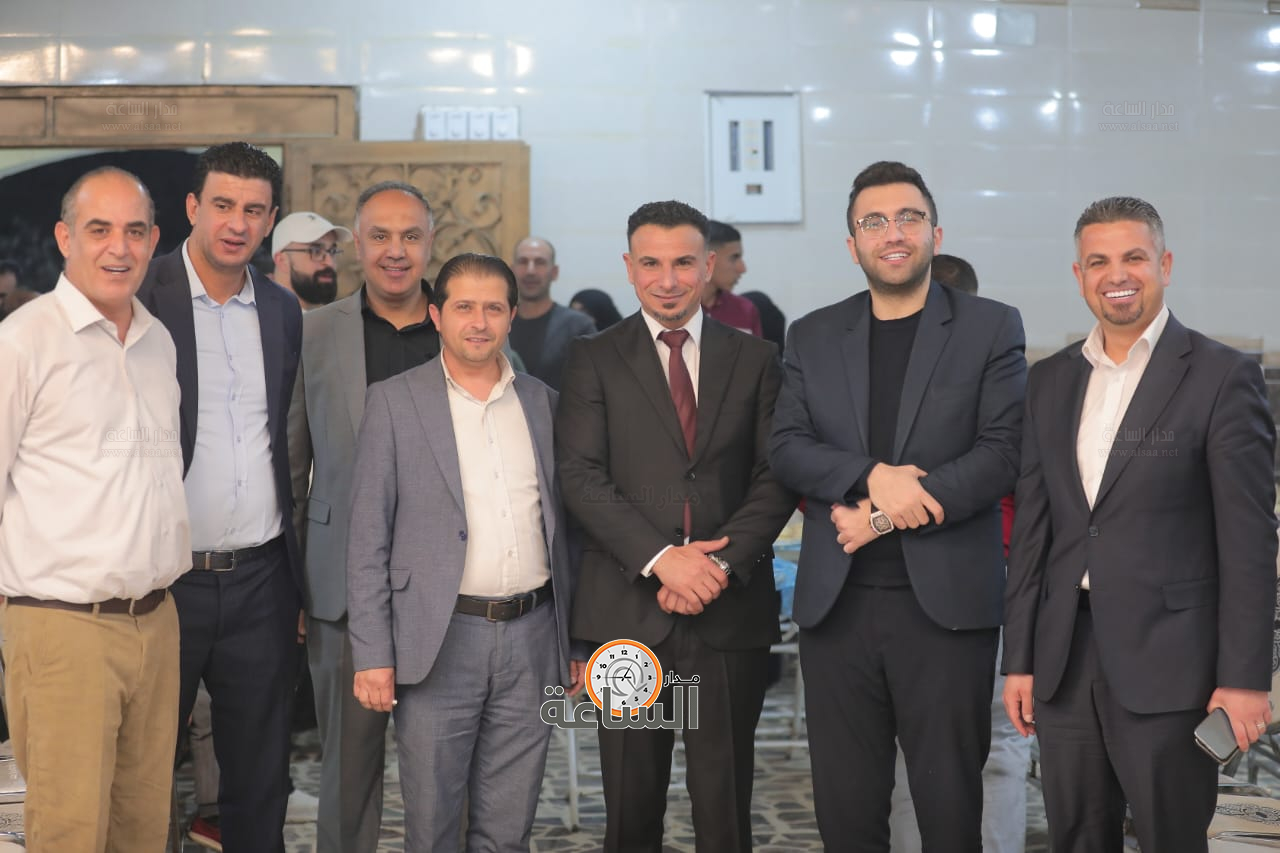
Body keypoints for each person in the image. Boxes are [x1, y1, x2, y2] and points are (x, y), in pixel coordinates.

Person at [1003, 196, 1277, 852]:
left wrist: (1245, 677)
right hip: (1065, 658)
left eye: (1134, 257)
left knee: (1169, 836)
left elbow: (1249, 540)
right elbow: (1036, 528)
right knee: (1076, 835)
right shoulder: (1049, 381)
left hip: (1172, 661)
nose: (1116, 274)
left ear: (1165, 264)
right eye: (1098, 261)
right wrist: (1020, 660)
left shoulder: (1222, 375)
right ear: (1079, 275)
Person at [768, 160, 1026, 851]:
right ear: (852, 243)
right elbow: (787, 448)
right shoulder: (814, 335)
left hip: (947, 611)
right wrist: (871, 476)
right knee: (846, 813)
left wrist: (882, 514)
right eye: (874, 221)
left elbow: (1002, 454)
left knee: (949, 811)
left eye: (909, 217)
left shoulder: (990, 327)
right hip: (838, 608)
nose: (893, 232)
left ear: (935, 233)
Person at [557, 200, 796, 852]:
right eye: (651, 264)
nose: (667, 280)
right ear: (629, 267)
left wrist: (716, 565)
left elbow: (776, 475)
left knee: (725, 808)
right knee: (630, 809)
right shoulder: (593, 357)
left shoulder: (757, 358)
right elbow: (579, 475)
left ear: (709, 266)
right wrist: (664, 560)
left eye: (684, 263)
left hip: (729, 611)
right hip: (626, 612)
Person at [347, 252, 581, 850]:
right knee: (432, 826)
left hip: (533, 639)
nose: (479, 322)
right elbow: (368, 536)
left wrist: (575, 643)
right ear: (437, 315)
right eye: (464, 307)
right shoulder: (393, 402)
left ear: (512, 317)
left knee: (510, 826)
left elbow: (570, 533)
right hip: (438, 640)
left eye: (494, 308)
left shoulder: (544, 404)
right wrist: (372, 653)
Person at [0, 166, 190, 850]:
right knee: (70, 833)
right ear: (64, 238)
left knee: (142, 830)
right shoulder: (24, 341)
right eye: (99, 229)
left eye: (135, 231)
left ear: (154, 242)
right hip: (63, 629)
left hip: (156, 623)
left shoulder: (158, 342)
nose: (119, 247)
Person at [139, 141, 304, 853]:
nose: (238, 223)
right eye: (224, 205)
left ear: (271, 219)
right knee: (143, 770)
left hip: (261, 579)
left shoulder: (281, 309)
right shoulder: (141, 294)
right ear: (192, 207)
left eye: (254, 210)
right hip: (162, 577)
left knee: (261, 776)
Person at [288, 180, 440, 853]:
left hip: (448, 590)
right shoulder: (315, 332)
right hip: (341, 589)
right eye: (380, 235)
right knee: (346, 780)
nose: (395, 250)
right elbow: (292, 465)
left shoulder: (462, 324)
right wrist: (295, 583)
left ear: (430, 243)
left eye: (410, 235)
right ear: (357, 243)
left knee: (447, 776)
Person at [887, 253, 1030, 853]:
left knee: (912, 743)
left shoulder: (886, 387)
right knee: (996, 744)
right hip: (988, 574)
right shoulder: (1006, 378)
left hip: (913, 575)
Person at [508, 236, 596, 389]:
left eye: (540, 262)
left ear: (554, 272)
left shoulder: (578, 327)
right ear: (512, 270)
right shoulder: (498, 324)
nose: (530, 271)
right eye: (523, 262)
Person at [271, 211, 353, 310]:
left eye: (332, 251)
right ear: (282, 260)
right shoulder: (261, 317)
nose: (330, 263)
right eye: (316, 251)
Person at [701, 220, 762, 337]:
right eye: (734, 258)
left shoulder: (746, 311)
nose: (743, 268)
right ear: (707, 261)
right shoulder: (672, 311)